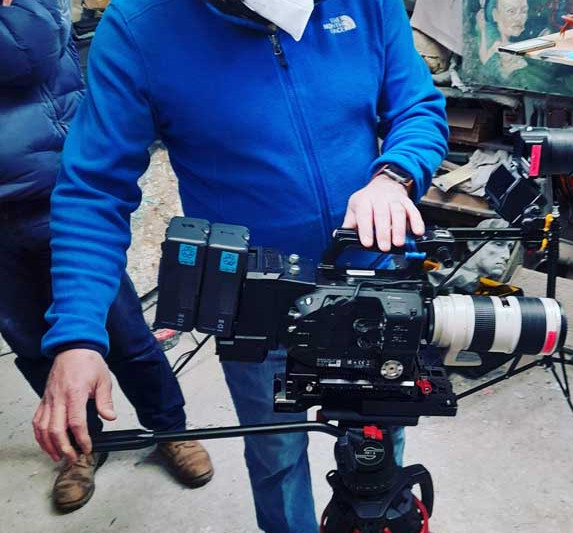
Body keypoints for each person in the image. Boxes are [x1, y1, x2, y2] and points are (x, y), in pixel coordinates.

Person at [36, 0, 448, 530]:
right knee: (277, 454)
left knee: (376, 443)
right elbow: (93, 190)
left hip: (372, 286)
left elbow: (417, 106)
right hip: (256, 305)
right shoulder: (141, 27)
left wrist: (395, 176)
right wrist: (77, 334)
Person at [0, 0, 213, 513]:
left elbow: (27, 48)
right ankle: (81, 445)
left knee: (122, 333)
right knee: (32, 344)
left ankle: (169, 429)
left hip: (58, 194)